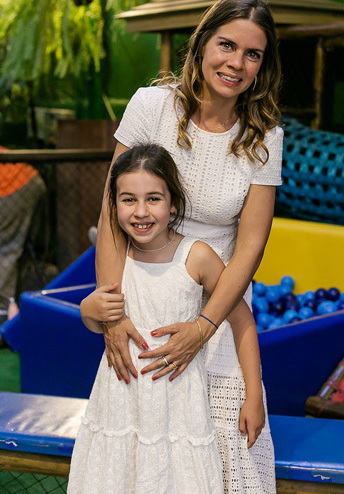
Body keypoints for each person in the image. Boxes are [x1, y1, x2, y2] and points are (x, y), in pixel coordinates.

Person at [80, 0, 282, 492]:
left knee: (229, 452)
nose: (236, 63)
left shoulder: (264, 135)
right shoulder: (151, 106)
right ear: (202, 43)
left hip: (221, 297)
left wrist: (205, 324)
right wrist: (113, 312)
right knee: (144, 438)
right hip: (147, 295)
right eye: (226, 45)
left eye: (252, 54)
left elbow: (252, 245)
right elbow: (113, 209)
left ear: (262, 65)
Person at [70, 144, 264, 493]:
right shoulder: (117, 257)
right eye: (128, 199)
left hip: (178, 410)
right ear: (113, 205)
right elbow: (95, 318)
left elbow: (242, 321)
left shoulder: (196, 256)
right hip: (120, 403)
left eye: (154, 199)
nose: (141, 212)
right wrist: (87, 310)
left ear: (173, 203)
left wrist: (253, 396)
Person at [0, 148, 46, 306]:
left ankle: (4, 308)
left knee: (7, 248)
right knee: (14, 249)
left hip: (13, 187)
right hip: (27, 180)